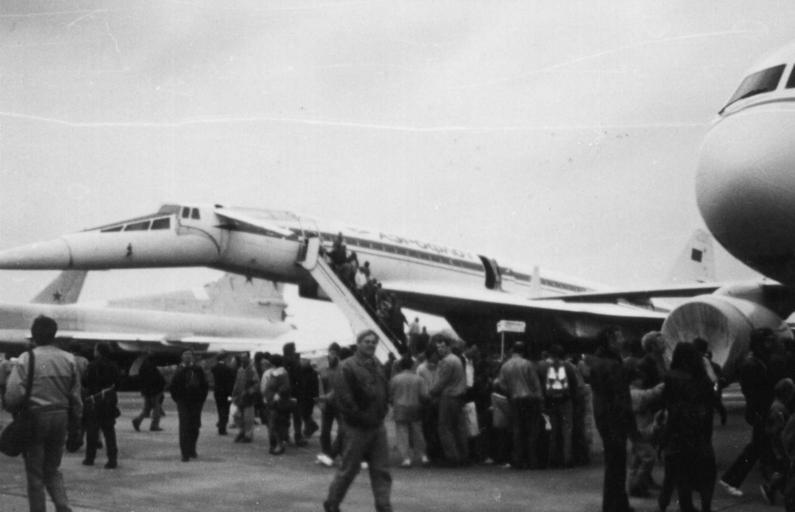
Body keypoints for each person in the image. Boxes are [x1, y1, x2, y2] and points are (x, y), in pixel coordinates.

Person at [4, 315, 82, 512]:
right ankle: (63, 506)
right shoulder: (68, 359)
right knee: (53, 469)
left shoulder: (26, 359)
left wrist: (12, 409)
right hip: (61, 417)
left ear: (34, 334)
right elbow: (75, 396)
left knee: (35, 474)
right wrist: (76, 422)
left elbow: (13, 395)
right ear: (54, 334)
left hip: (35, 418)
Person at [324, 329, 392, 512]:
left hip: (377, 425)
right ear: (358, 343)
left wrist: (383, 410)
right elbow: (344, 397)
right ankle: (332, 503)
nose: (371, 345)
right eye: (367, 341)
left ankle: (384, 506)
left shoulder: (377, 365)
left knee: (382, 470)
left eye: (374, 342)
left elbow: (384, 389)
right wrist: (359, 417)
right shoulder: (347, 367)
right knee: (349, 469)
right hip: (357, 427)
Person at [658, 342, 717, 512]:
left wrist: (664, 438)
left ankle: (681, 506)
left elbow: (668, 406)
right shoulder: (703, 379)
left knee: (678, 475)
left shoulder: (671, 377)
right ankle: (706, 506)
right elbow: (711, 403)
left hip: (678, 433)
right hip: (700, 434)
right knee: (705, 474)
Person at [720, 327, 777, 497]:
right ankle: (732, 479)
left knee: (762, 447)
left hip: (761, 411)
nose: (771, 344)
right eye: (768, 341)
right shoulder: (753, 364)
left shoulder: (756, 361)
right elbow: (755, 392)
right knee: (758, 448)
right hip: (761, 411)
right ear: (760, 343)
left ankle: (771, 484)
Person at [588, 326, 637, 512]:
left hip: (604, 418)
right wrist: (632, 427)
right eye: (619, 337)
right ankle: (615, 506)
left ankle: (615, 504)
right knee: (617, 464)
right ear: (610, 340)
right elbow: (621, 399)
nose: (622, 340)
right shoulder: (614, 365)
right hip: (615, 420)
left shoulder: (598, 362)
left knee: (613, 463)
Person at [494, 341, 542, 469]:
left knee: (517, 429)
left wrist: (510, 392)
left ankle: (518, 460)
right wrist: (539, 399)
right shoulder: (528, 364)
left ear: (512, 350)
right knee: (531, 430)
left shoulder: (505, 366)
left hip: (515, 400)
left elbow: (501, 384)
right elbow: (536, 384)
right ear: (523, 351)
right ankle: (532, 460)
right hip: (530, 400)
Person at [429, 331, 469, 466]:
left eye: (442, 346)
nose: (440, 350)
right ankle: (463, 455)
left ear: (448, 346)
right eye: (438, 347)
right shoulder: (457, 359)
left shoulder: (446, 362)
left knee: (444, 427)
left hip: (448, 397)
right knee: (458, 427)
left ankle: (452, 457)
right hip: (459, 396)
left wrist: (431, 392)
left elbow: (441, 382)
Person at [539, 344, 579, 468]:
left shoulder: (543, 366)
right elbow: (574, 385)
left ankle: (552, 459)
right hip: (566, 401)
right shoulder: (568, 366)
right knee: (567, 429)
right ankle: (567, 459)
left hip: (550, 402)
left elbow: (540, 384)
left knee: (552, 430)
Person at [81, 342, 121, 469]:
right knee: (109, 431)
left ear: (98, 351)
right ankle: (112, 459)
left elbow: (85, 382)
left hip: (94, 400)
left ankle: (90, 458)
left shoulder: (92, 365)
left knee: (92, 431)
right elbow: (118, 382)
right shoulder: (113, 365)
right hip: (109, 400)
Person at [389, 354, 429, 467]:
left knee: (402, 433)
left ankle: (406, 459)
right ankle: (423, 456)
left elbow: (390, 395)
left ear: (400, 366)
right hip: (415, 406)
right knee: (418, 432)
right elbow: (424, 395)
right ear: (412, 365)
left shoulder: (395, 379)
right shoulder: (419, 379)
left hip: (400, 407)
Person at [761, 377, 795, 505]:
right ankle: (770, 487)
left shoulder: (777, 406)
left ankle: (774, 488)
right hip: (780, 446)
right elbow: (778, 431)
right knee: (784, 469)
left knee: (784, 469)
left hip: (779, 446)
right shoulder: (779, 409)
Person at [169, 350, 209, 462]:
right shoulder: (178, 370)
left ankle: (192, 448)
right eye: (185, 354)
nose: (187, 356)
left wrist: (201, 399)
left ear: (192, 357)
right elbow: (173, 385)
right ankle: (185, 453)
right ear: (182, 357)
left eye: (189, 354)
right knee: (184, 426)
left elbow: (204, 385)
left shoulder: (197, 369)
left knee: (195, 426)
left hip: (196, 402)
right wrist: (177, 399)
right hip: (183, 401)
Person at [317, 343, 343, 467]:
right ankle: (326, 453)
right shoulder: (323, 368)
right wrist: (321, 401)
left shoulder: (342, 367)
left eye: (334, 353)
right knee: (324, 431)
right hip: (327, 404)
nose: (332, 355)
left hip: (340, 403)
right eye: (331, 352)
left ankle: (337, 453)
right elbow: (320, 386)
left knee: (342, 430)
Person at [132, 352, 165, 432]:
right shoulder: (153, 368)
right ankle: (154, 425)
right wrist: (162, 386)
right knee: (156, 408)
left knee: (147, 409)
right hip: (155, 391)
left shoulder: (143, 367)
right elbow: (158, 379)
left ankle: (138, 420)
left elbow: (141, 379)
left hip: (146, 391)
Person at [230, 352, 259, 443]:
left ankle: (248, 435)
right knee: (237, 416)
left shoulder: (252, 370)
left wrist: (249, 391)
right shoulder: (240, 370)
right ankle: (241, 431)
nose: (243, 360)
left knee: (248, 417)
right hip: (239, 397)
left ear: (248, 358)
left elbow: (256, 384)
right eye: (242, 358)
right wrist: (234, 394)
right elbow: (237, 382)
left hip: (248, 398)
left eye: (245, 358)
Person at [211, 353, 236, 435]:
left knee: (219, 408)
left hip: (217, 392)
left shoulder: (214, 368)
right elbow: (231, 382)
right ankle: (222, 426)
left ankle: (220, 422)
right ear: (225, 359)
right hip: (227, 393)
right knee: (226, 409)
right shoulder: (228, 369)